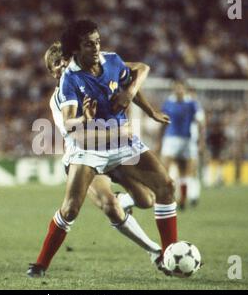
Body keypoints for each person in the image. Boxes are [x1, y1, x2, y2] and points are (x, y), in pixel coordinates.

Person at [27, 20, 178, 277]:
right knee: (73, 207)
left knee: (156, 194)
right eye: (89, 43)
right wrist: (88, 119)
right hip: (88, 149)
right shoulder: (68, 84)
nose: (96, 47)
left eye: (97, 41)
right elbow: (72, 126)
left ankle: (170, 254)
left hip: (119, 142)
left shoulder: (111, 61)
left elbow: (137, 72)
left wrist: (137, 100)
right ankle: (41, 264)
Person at [156, 80, 205, 210]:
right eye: (176, 88)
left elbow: (200, 122)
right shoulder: (168, 103)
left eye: (181, 88)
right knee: (164, 170)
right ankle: (165, 198)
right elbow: (163, 122)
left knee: (185, 172)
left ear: (185, 89)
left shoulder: (192, 103)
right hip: (170, 139)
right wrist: (159, 141)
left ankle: (183, 199)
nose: (178, 90)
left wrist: (201, 140)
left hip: (187, 140)